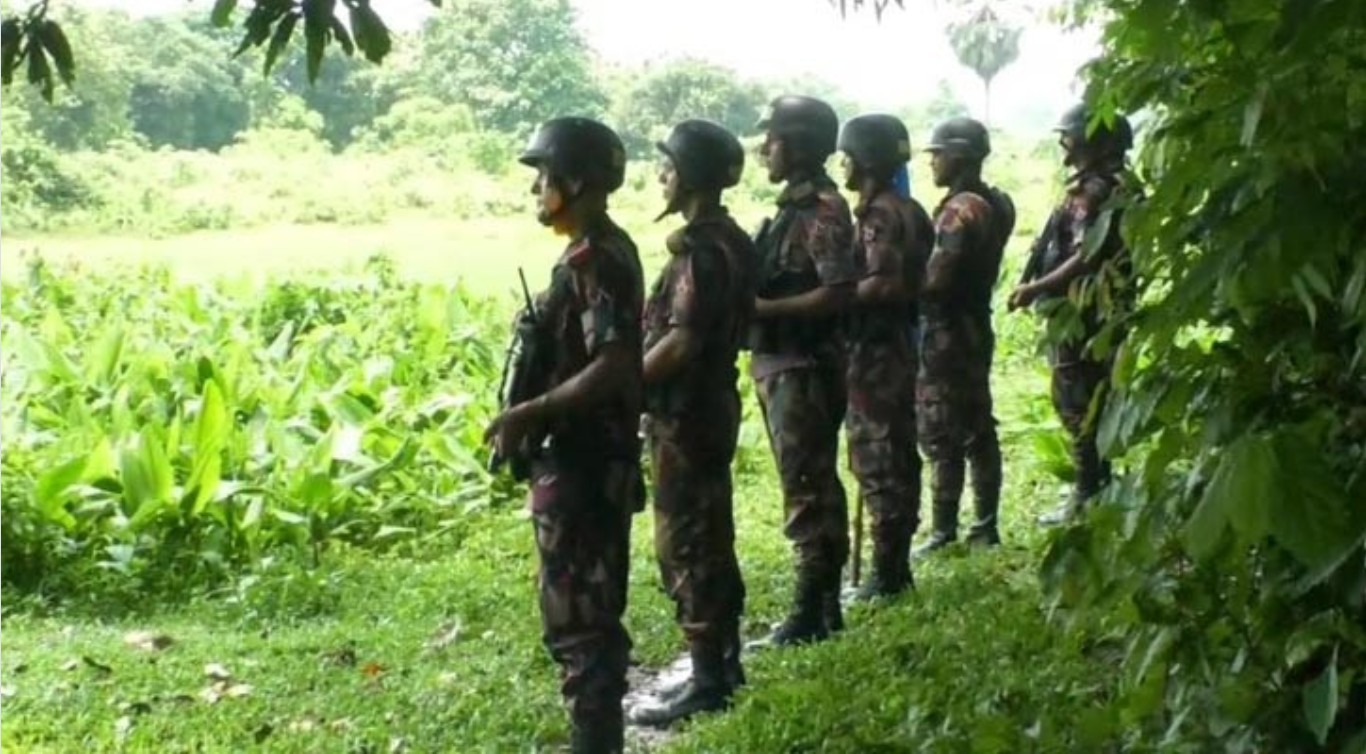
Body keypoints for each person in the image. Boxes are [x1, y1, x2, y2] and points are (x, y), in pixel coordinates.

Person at [484, 116, 645, 754]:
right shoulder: (600, 249)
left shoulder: (594, 258)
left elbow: (612, 362)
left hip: (582, 460)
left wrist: (533, 412)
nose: (536, 192)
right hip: (586, 457)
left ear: (574, 182)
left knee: (580, 616)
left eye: (543, 179)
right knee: (585, 610)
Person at [627, 119, 756, 727]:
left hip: (688, 410)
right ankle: (722, 662)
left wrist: (625, 386)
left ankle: (708, 676)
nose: (660, 177)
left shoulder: (703, 251)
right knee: (710, 528)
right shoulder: (728, 239)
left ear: (692, 176)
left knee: (686, 539)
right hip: (706, 405)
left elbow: (681, 341)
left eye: (669, 167)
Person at [744, 94, 858, 647]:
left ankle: (810, 610)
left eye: (775, 138)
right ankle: (824, 604)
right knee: (808, 481)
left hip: (804, 366)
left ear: (801, 145)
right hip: (784, 363)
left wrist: (764, 312)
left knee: (807, 485)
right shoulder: (793, 209)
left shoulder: (823, 211)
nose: (765, 148)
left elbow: (837, 293)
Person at [1009, 103, 1136, 527]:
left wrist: (1037, 288)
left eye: (1069, 137)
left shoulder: (1096, 191)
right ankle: (1096, 487)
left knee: (1076, 398)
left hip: (1084, 311)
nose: (1064, 145)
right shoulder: (1117, 184)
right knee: (1094, 396)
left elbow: (1086, 254)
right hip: (1102, 310)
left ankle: (1087, 492)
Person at [835, 113, 934, 600]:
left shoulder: (881, 216)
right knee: (891, 451)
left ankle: (888, 573)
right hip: (894, 346)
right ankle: (891, 567)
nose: (841, 166)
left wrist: (836, 295)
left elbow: (885, 281)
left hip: (877, 351)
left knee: (880, 456)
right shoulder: (908, 208)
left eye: (846, 157)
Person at [911, 116, 1016, 558]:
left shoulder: (959, 211)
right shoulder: (999, 202)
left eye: (937, 153)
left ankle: (944, 529)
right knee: (977, 422)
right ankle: (985, 524)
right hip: (975, 324)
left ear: (958, 156)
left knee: (941, 427)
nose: (932, 162)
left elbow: (935, 280)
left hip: (946, 327)